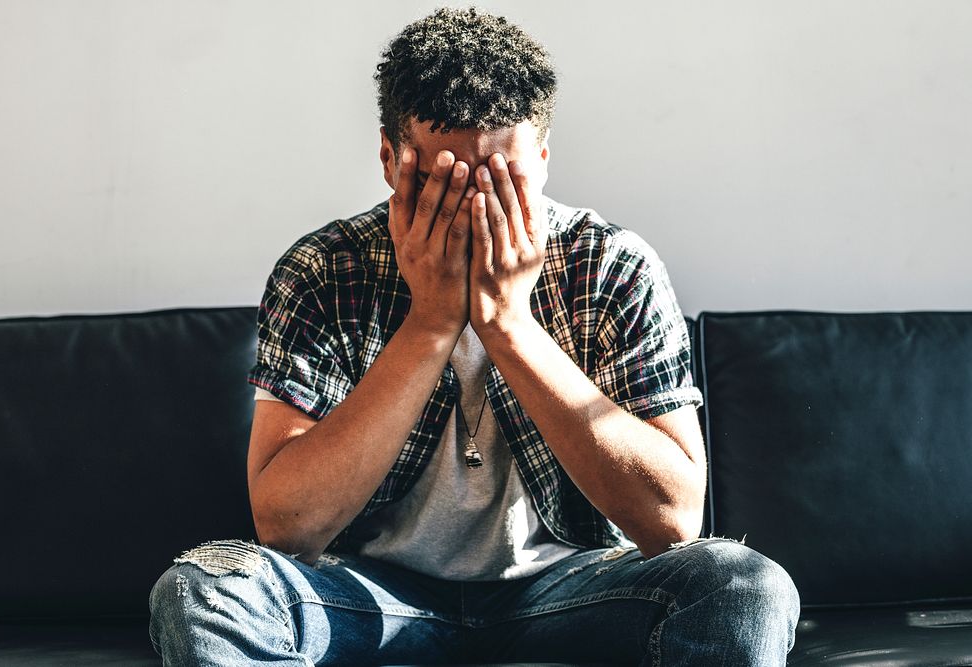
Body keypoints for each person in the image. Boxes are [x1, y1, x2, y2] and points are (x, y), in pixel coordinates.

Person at [149, 7, 800, 665]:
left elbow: (673, 520)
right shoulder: (325, 270)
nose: (475, 209)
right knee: (203, 588)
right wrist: (430, 324)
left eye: (503, 181)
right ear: (389, 158)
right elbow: (285, 525)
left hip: (574, 585)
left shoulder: (611, 266)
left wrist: (510, 326)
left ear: (543, 159)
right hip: (370, 591)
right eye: (447, 182)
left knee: (748, 587)